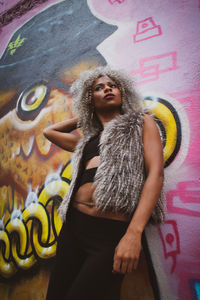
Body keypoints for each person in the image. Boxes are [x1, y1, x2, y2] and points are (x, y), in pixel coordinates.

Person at [43, 66, 165, 300]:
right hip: (74, 227)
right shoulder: (88, 140)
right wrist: (87, 115)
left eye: (112, 85)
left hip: (110, 234)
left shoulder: (141, 123)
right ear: (90, 98)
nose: (107, 88)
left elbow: (156, 175)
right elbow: (50, 131)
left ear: (123, 92)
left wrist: (133, 234)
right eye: (98, 88)